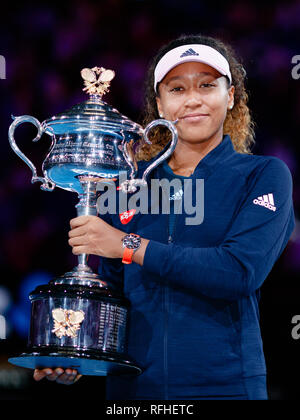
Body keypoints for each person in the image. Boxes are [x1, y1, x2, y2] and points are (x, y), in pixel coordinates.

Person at [34, 34, 295, 400]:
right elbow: (114, 294)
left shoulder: (263, 175)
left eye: (207, 85)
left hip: (227, 389)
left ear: (231, 95)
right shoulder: (126, 185)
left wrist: (128, 244)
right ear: (159, 103)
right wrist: (77, 346)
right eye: (176, 88)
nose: (192, 99)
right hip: (134, 394)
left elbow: (238, 271)